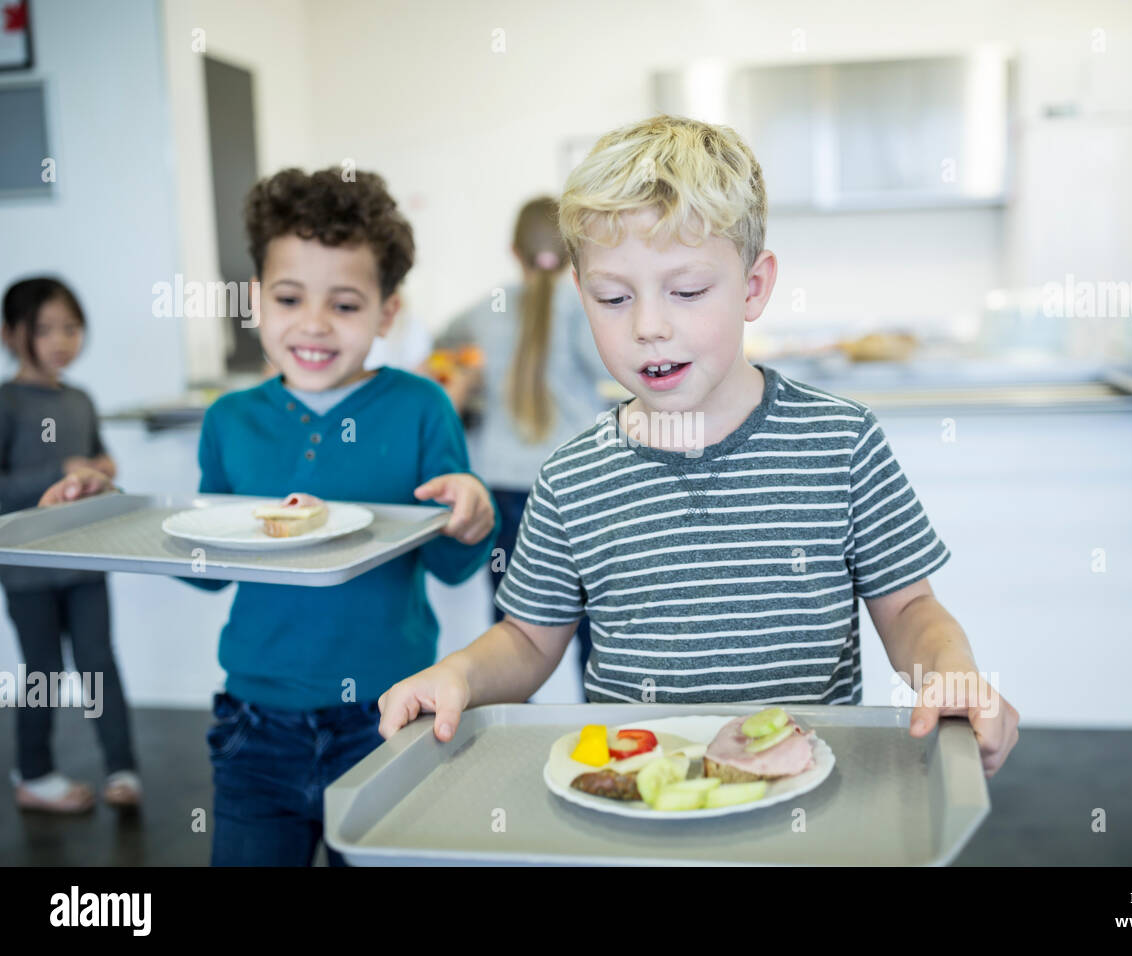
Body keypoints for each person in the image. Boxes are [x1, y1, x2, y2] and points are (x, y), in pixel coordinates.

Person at [377, 115, 1020, 776]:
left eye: (686, 291)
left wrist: (950, 672)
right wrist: (456, 675)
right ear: (581, 296)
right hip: (642, 805)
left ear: (754, 286)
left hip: (807, 799)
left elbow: (910, 606)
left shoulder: (841, 443)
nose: (650, 327)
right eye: (613, 297)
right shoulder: (570, 477)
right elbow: (527, 640)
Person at [40, 168, 499, 863]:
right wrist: (116, 513)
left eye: (344, 305)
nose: (312, 324)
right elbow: (207, 568)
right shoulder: (232, 420)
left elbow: (452, 563)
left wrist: (472, 514)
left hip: (390, 716)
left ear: (387, 312)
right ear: (255, 299)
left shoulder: (420, 408)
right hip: (256, 726)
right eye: (289, 297)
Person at [432, 197, 609, 684]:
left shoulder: (489, 306)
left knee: (512, 633)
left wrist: (469, 372)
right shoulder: (587, 304)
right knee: (598, 631)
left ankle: (505, 736)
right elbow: (608, 368)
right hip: (582, 484)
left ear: (515, 251)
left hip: (505, 489)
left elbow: (441, 340)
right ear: (574, 251)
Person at [1, 276, 141, 812]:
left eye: (71, 328)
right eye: (45, 329)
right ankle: (33, 774)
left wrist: (102, 468)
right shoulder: (7, 403)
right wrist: (54, 470)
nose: (61, 340)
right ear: (11, 334)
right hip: (26, 569)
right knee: (41, 671)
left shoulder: (81, 398)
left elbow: (98, 460)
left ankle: (122, 767)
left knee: (100, 662)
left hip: (85, 559)